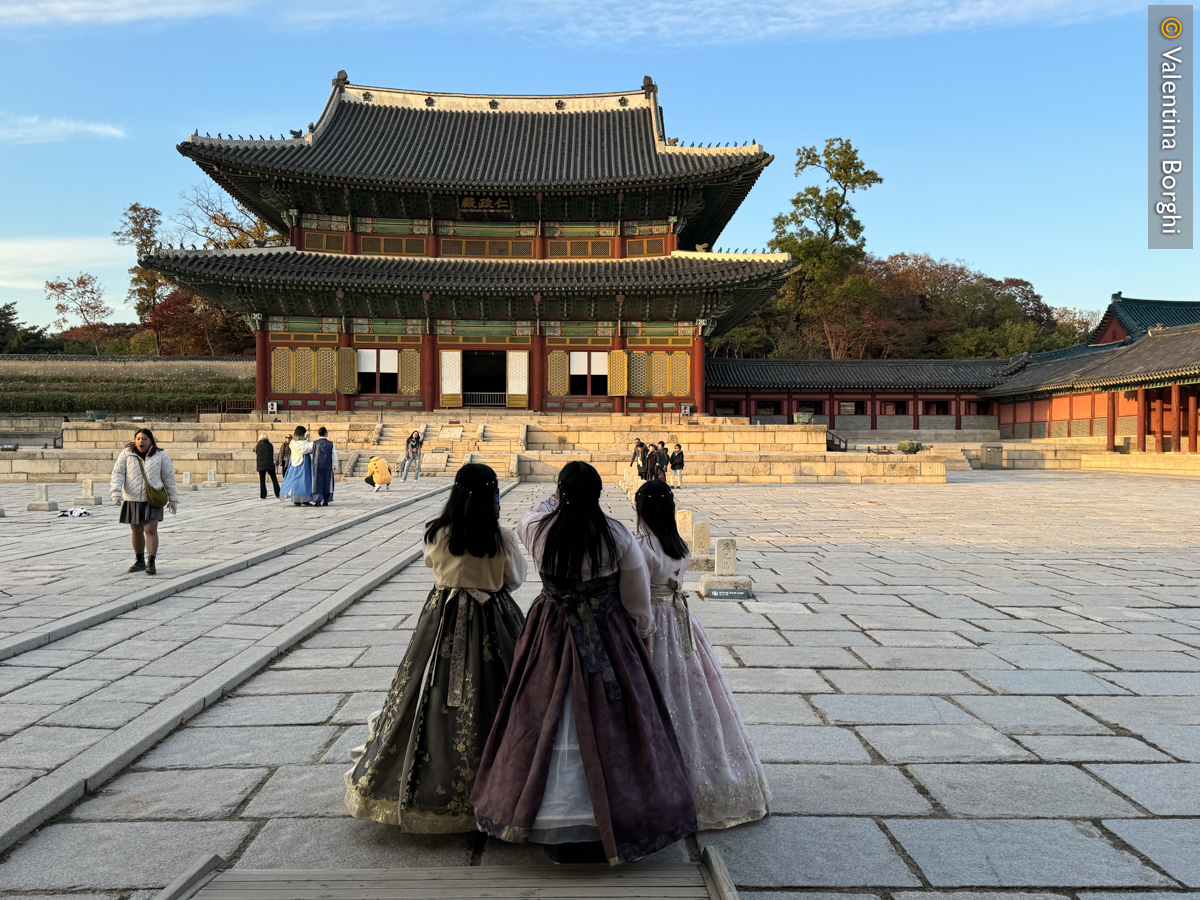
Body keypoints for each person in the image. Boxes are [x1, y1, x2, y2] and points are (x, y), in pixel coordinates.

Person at [472, 461, 696, 866]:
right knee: (614, 723)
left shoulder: (539, 530)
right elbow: (636, 600)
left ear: (561, 494)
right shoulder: (618, 534)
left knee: (542, 717)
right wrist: (642, 634)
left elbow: (530, 514)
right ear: (598, 494)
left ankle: (550, 820)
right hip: (608, 632)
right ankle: (611, 820)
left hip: (551, 630)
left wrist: (556, 499)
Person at [345, 464, 527, 832]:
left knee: (430, 689)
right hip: (493, 617)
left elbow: (434, 566)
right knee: (503, 689)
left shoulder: (437, 533)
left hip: (442, 619)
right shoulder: (501, 537)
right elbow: (516, 578)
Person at [635, 480, 770, 830]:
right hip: (681, 619)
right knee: (694, 689)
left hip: (654, 619)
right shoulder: (678, 546)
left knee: (660, 688)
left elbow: (636, 594)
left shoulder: (643, 548)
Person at [109, 428, 179, 576]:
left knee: (150, 530)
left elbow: (169, 477)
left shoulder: (161, 455)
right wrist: (115, 491)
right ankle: (139, 560)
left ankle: (151, 561)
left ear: (151, 441)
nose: (141, 441)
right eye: (138, 438)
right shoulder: (126, 454)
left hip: (152, 498)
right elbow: (118, 473)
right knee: (136, 531)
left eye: (144, 439)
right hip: (132, 498)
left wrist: (173, 499)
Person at [279, 426, 314, 506]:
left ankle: (305, 499)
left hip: (302, 464)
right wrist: (310, 443)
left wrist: (308, 442)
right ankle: (297, 499)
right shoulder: (293, 443)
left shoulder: (302, 442)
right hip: (300, 464)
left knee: (304, 481)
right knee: (298, 481)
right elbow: (304, 449)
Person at [310, 426, 338, 506]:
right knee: (327, 482)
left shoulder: (314, 443)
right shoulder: (331, 444)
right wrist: (335, 465)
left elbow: (308, 450)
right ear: (326, 433)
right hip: (327, 465)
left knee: (317, 482)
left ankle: (317, 500)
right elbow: (334, 455)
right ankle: (326, 500)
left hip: (316, 466)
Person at [255, 432, 279, 499]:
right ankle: (278, 493)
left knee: (262, 480)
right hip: (269, 464)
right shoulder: (270, 445)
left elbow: (257, 453)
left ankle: (263, 495)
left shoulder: (258, 445)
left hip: (261, 464)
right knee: (274, 479)